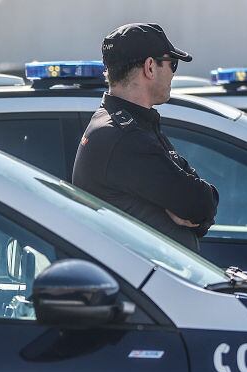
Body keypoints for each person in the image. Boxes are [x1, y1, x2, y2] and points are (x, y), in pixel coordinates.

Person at [72, 23, 218, 252]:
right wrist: (187, 209)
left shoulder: (129, 125)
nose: (173, 74)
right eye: (173, 64)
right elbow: (201, 204)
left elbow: (199, 197)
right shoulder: (124, 137)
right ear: (150, 67)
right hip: (147, 281)